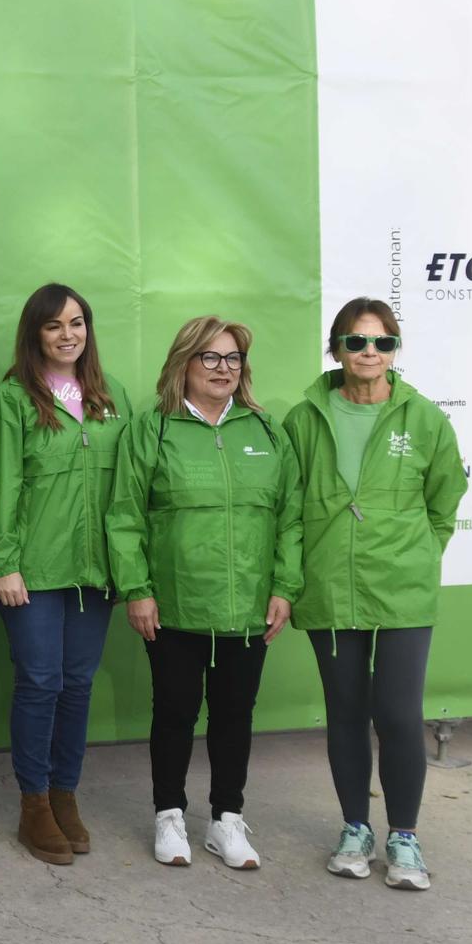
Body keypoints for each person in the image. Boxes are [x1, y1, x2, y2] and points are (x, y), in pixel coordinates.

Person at [107, 316, 302, 871]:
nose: (223, 369)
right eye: (210, 358)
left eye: (233, 359)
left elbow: (290, 518)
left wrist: (285, 587)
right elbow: (124, 516)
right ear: (184, 364)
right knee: (174, 711)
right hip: (174, 607)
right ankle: (169, 815)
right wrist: (137, 590)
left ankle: (227, 821)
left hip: (248, 609)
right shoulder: (154, 430)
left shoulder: (265, 432)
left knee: (235, 714)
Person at [283, 299, 466, 890]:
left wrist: (412, 553)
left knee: (398, 715)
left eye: (381, 343)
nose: (369, 353)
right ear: (335, 348)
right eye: (356, 342)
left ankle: (405, 838)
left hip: (402, 591)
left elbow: (444, 502)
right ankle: (355, 828)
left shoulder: (426, 419)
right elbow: (288, 508)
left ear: (395, 350)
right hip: (331, 589)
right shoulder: (304, 418)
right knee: (345, 714)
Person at [0, 284, 131, 866]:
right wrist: (5, 562)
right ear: (35, 334)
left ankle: (66, 795)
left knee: (77, 685)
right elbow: (2, 484)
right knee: (40, 683)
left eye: (77, 322)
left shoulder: (110, 394)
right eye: (54, 326)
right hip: (35, 572)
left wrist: (127, 566)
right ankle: (34, 803)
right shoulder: (15, 397)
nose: (67, 334)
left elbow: (127, 489)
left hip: (94, 572)